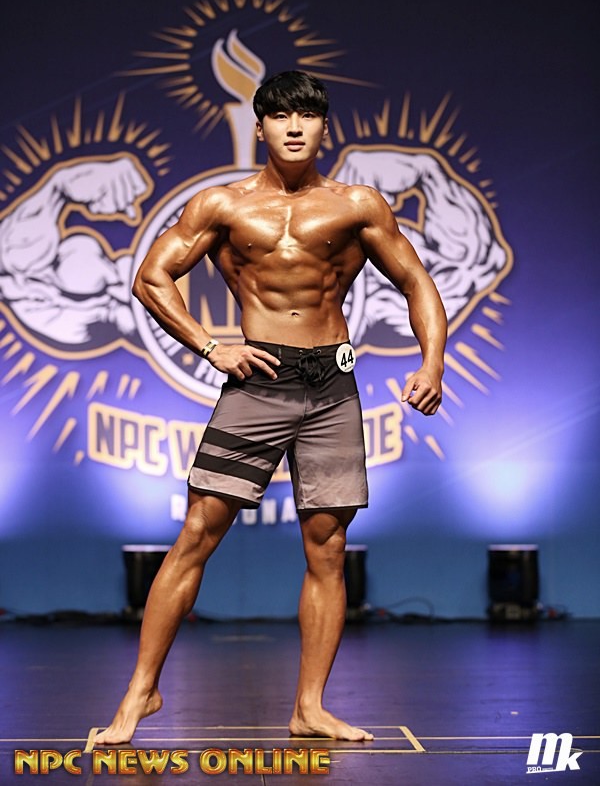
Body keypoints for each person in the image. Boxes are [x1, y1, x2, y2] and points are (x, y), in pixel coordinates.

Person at [95, 70, 447, 745]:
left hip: (331, 384)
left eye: (306, 115)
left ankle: (310, 707)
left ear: (323, 128)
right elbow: (151, 277)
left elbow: (416, 281)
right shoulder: (222, 205)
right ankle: (141, 692)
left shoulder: (357, 205)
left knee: (328, 547)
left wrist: (431, 362)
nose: (293, 127)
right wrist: (209, 345)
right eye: (281, 116)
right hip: (259, 380)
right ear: (259, 128)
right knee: (197, 532)